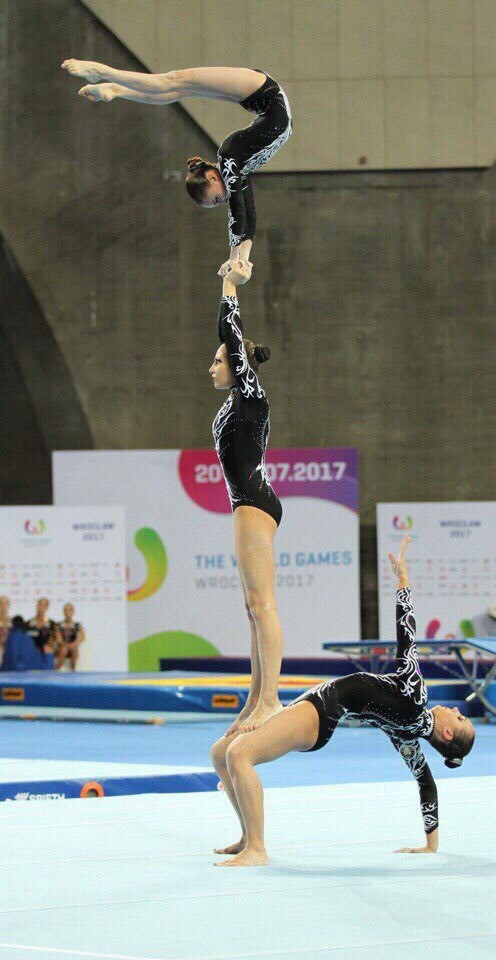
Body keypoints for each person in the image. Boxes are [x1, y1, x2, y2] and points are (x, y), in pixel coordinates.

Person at [210, 536, 476, 867]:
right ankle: (246, 838)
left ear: (448, 735)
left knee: (239, 755)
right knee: (221, 752)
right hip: (313, 706)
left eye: (460, 719)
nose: (456, 710)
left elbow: (406, 640)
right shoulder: (407, 734)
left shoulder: (416, 696)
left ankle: (258, 849)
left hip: (319, 714)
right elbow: (426, 784)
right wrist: (431, 845)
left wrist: (403, 582)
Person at [60, 61, 292, 277]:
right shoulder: (238, 168)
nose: (224, 199)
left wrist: (234, 259)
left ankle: (101, 72)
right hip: (260, 100)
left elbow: (237, 209)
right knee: (175, 91)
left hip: (262, 91)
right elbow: (248, 211)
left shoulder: (230, 158)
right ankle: (115, 90)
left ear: (212, 178)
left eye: (217, 198)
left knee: (173, 81)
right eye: (219, 200)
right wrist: (244, 261)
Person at [211, 262, 284, 734]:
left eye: (219, 361)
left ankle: (271, 701)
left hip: (254, 501)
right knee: (251, 608)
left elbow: (231, 336)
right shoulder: (233, 404)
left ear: (238, 367)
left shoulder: (251, 396)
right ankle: (255, 698)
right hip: (246, 501)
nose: (212, 366)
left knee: (263, 605)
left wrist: (228, 285)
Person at [55, 603, 86, 671]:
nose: (67, 612)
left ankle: (73, 670)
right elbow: (58, 639)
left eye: (70, 610)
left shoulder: (77, 625)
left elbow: (82, 637)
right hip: (61, 648)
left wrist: (74, 644)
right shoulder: (58, 625)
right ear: (63, 612)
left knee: (74, 649)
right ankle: (56, 669)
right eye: (66, 610)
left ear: (73, 612)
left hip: (73, 648)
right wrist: (65, 645)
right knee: (64, 649)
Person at [0, 595, 10, 660]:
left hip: (10, 647)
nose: (4, 606)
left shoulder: (12, 621)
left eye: (5, 604)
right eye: (1, 604)